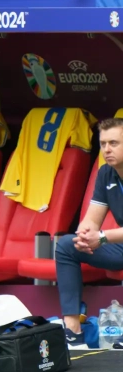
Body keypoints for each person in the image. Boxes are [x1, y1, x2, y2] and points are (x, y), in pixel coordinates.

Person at [56, 117, 123, 349]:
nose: (107, 149)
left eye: (114, 143)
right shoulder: (105, 173)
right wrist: (84, 236)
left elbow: (102, 234)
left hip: (114, 240)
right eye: (103, 144)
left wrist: (102, 237)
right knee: (67, 245)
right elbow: (92, 219)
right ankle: (73, 332)